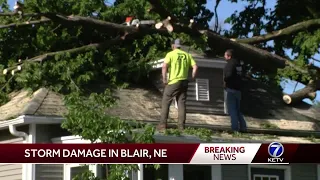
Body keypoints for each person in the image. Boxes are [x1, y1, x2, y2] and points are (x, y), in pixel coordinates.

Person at [157, 39, 198, 131]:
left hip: (174, 81)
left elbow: (164, 66)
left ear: (173, 46)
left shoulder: (170, 54)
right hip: (184, 81)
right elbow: (195, 66)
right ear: (180, 46)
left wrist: (164, 79)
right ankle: (181, 126)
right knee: (181, 103)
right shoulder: (187, 55)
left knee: (166, 101)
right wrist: (193, 76)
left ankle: (162, 125)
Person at [223, 49, 247, 133]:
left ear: (229, 56)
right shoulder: (239, 64)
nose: (224, 57)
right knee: (237, 109)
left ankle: (234, 128)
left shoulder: (230, 64)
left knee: (232, 110)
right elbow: (242, 76)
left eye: (225, 55)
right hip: (238, 90)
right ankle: (243, 127)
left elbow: (228, 75)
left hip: (231, 89)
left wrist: (225, 82)